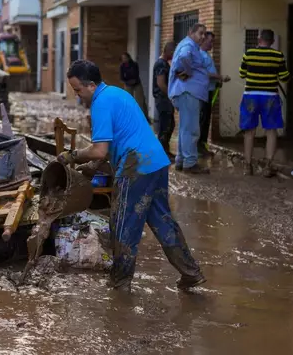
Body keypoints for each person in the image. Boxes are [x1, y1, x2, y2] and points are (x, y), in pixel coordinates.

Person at [58, 59, 205, 292]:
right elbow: (116, 140)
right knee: (162, 220)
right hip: (155, 161)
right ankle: (191, 273)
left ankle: (120, 282)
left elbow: (99, 149)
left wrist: (73, 156)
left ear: (91, 86)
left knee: (123, 224)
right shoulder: (118, 93)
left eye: (78, 90)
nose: (78, 96)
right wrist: (94, 167)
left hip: (135, 165)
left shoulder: (100, 104)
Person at [239, 29, 291, 177]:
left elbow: (242, 73)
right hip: (270, 97)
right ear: (272, 41)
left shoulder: (248, 54)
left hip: (250, 96)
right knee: (271, 130)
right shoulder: (278, 56)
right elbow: (284, 77)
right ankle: (268, 166)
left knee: (249, 131)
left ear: (259, 38)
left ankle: (247, 166)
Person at [169, 23, 210, 174]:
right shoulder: (188, 45)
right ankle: (190, 163)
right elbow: (184, 57)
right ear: (191, 33)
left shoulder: (188, 45)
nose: (203, 37)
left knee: (185, 128)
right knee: (191, 129)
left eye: (204, 34)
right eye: (200, 33)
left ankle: (182, 160)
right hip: (188, 93)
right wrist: (188, 71)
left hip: (186, 93)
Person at [199, 32, 230, 156]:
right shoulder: (200, 55)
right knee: (202, 121)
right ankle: (199, 148)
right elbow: (204, 73)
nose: (212, 44)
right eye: (210, 41)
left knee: (206, 120)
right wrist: (220, 77)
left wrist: (217, 82)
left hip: (209, 90)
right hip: (203, 93)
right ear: (203, 40)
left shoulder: (206, 55)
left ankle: (202, 146)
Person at [152, 42, 177, 160]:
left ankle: (165, 151)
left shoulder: (164, 63)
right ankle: (161, 153)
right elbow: (161, 83)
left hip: (164, 99)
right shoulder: (161, 64)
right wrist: (171, 96)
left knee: (170, 124)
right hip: (163, 99)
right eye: (173, 53)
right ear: (169, 52)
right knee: (166, 126)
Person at [120, 52, 147, 119]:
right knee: (128, 99)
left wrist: (134, 80)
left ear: (129, 57)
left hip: (136, 82)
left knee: (140, 100)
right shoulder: (122, 66)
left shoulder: (134, 64)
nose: (124, 59)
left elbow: (136, 74)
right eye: (123, 58)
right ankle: (129, 116)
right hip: (127, 83)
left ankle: (142, 116)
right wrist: (127, 81)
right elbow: (122, 77)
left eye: (125, 58)